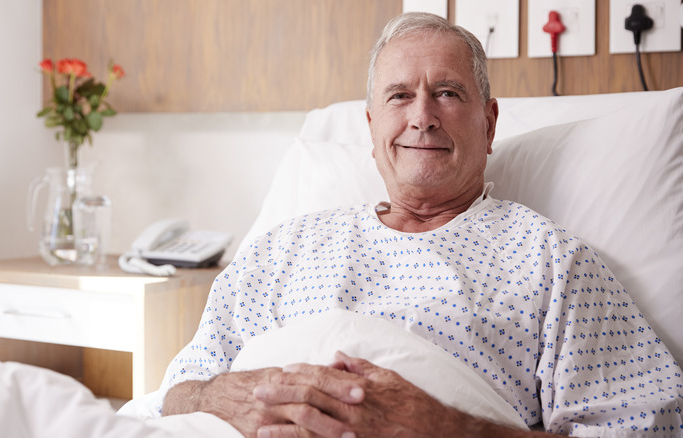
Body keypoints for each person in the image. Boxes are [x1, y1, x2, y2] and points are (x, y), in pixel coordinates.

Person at [155, 12, 683, 437]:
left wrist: (447, 428)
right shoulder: (284, 248)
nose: (422, 116)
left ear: (489, 122)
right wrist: (231, 400)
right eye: (399, 95)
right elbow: (177, 393)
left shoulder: (552, 262)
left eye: (448, 93)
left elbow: (646, 428)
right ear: (371, 126)